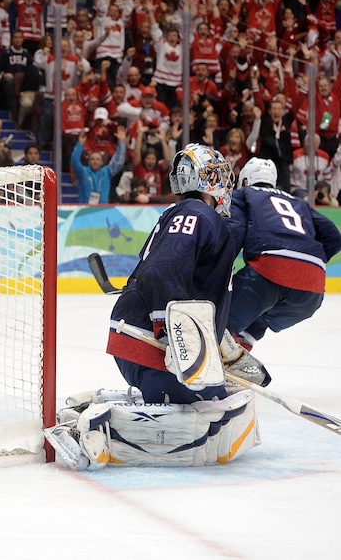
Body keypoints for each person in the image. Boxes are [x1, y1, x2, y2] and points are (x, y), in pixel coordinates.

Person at [45, 145, 258, 470]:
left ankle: (93, 404)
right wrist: (172, 333)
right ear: (211, 179)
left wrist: (222, 347)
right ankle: (91, 429)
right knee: (212, 408)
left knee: (223, 393)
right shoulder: (197, 214)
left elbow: (190, 289)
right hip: (150, 338)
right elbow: (162, 271)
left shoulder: (191, 215)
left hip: (146, 334)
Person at [226, 158, 341, 353]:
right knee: (262, 313)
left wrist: (220, 269)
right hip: (312, 289)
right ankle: (244, 343)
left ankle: (213, 356)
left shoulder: (244, 194)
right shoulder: (297, 202)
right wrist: (308, 264)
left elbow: (234, 230)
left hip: (271, 269)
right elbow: (334, 237)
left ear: (245, 181)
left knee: (219, 319)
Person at [70, 125, 127, 204]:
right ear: (88, 162)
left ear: (102, 162)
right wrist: (80, 144)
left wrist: (121, 143)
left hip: (102, 211)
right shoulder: (83, 172)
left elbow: (119, 161)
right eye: (92, 159)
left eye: (98, 159)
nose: (95, 161)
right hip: (84, 210)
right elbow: (74, 161)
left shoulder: (107, 172)